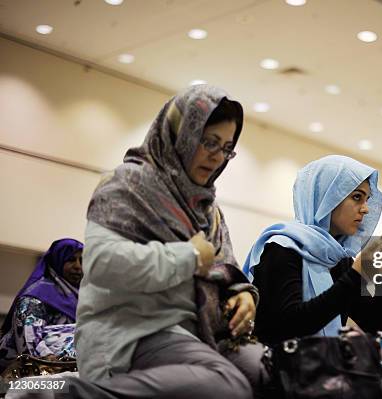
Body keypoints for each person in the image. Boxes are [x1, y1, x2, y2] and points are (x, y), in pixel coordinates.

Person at [60, 84, 261, 398]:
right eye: (208, 142)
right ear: (183, 134)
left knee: (268, 372)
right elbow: (100, 263)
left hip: (199, 333)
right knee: (228, 386)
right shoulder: (127, 184)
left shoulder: (207, 208)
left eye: (226, 148)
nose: (217, 156)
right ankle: (61, 393)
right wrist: (188, 257)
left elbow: (226, 268)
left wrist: (244, 295)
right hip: (131, 331)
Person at [243, 155, 382, 344]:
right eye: (357, 197)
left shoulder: (340, 259)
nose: (365, 209)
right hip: (280, 366)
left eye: (367, 199)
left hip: (323, 364)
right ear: (327, 198)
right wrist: (355, 275)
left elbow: (376, 324)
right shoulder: (281, 248)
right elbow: (289, 327)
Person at [0, 238, 83, 372]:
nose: (78, 266)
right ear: (57, 261)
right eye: (71, 259)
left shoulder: (81, 298)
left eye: (82, 261)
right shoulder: (36, 296)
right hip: (27, 370)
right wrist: (48, 359)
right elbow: (28, 338)